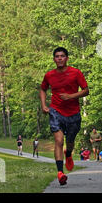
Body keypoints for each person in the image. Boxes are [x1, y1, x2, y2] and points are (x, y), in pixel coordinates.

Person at [40, 47, 89, 185]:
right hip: (56, 111)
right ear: (54, 59)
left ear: (67, 58)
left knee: (70, 141)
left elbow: (86, 91)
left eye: (62, 56)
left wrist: (71, 96)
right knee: (59, 141)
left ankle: (68, 154)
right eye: (57, 56)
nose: (60, 58)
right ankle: (60, 173)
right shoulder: (49, 75)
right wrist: (44, 105)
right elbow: (43, 89)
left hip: (73, 113)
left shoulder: (75, 73)